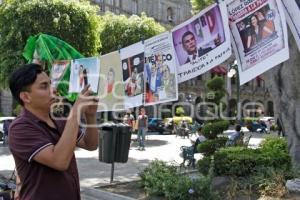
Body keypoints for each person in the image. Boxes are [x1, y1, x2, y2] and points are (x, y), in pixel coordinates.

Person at [8, 63, 99, 200]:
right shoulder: (20, 128)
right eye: (44, 86)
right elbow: (59, 161)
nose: (53, 89)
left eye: (50, 84)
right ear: (26, 97)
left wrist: (90, 116)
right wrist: (75, 112)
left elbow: (90, 145)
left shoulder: (60, 121)